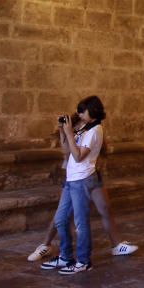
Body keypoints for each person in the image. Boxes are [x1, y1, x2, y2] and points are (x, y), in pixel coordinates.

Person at [28, 113, 137, 263]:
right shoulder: (73, 135)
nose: (81, 127)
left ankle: (116, 245)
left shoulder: (92, 133)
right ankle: (45, 245)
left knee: (105, 207)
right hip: (74, 178)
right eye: (78, 125)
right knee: (62, 214)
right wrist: (64, 132)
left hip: (92, 176)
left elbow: (98, 153)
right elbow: (69, 153)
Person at [40, 96, 105, 274]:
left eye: (82, 110)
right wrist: (63, 131)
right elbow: (67, 152)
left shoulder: (95, 130)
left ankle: (84, 261)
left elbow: (78, 157)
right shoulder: (83, 128)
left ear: (92, 111)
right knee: (60, 220)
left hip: (82, 179)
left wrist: (70, 133)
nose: (79, 114)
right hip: (71, 179)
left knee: (80, 223)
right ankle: (65, 257)